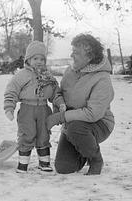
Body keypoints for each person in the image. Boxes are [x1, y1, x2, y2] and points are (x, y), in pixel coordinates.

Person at [46, 34, 114, 175]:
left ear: (89, 57)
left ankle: (95, 159)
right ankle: (84, 147)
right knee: (64, 168)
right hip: (71, 124)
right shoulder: (70, 71)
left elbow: (92, 113)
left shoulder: (102, 79)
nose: (72, 55)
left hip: (98, 124)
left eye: (76, 52)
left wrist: (61, 117)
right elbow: (60, 93)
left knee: (76, 129)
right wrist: (58, 106)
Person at [4, 41, 65, 173]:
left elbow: (55, 92)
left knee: (44, 135)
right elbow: (11, 91)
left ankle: (44, 163)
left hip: (43, 110)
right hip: (27, 109)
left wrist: (60, 103)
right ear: (28, 60)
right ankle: (22, 165)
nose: (39, 61)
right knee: (27, 135)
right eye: (35, 58)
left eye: (42, 59)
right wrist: (9, 108)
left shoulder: (48, 76)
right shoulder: (22, 75)